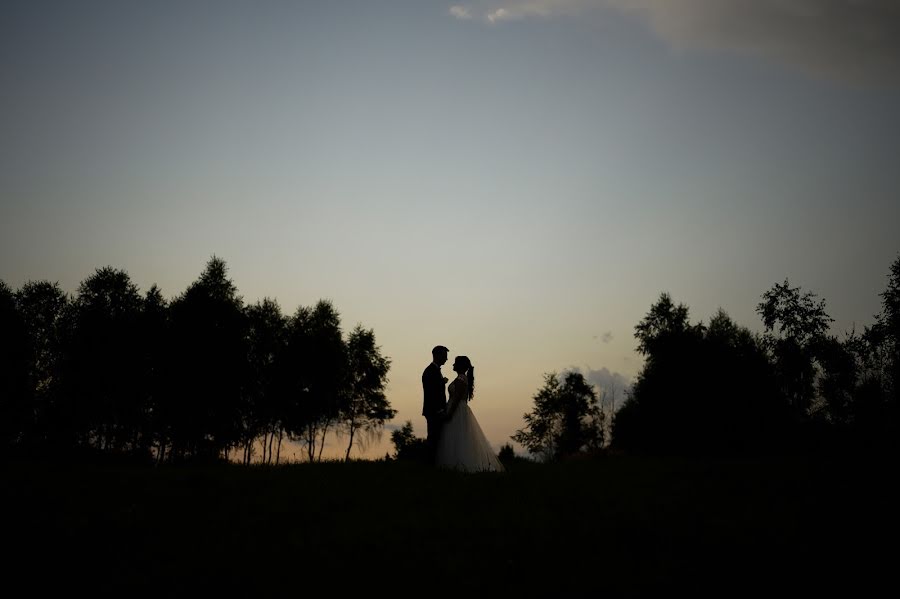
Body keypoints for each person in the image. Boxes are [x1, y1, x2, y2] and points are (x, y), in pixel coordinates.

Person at [435, 355, 504, 473]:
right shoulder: (462, 378)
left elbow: (456, 398)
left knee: (457, 436)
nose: (453, 365)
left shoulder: (461, 379)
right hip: (457, 409)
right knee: (455, 437)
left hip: (457, 411)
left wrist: (450, 413)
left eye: (455, 363)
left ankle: (460, 466)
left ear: (460, 366)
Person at [422, 345, 449, 463]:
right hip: (434, 411)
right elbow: (431, 393)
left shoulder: (434, 371)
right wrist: (439, 410)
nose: (446, 359)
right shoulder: (430, 371)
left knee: (437, 438)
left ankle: (434, 462)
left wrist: (442, 382)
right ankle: (430, 463)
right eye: (445, 356)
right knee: (433, 438)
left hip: (435, 410)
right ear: (437, 355)